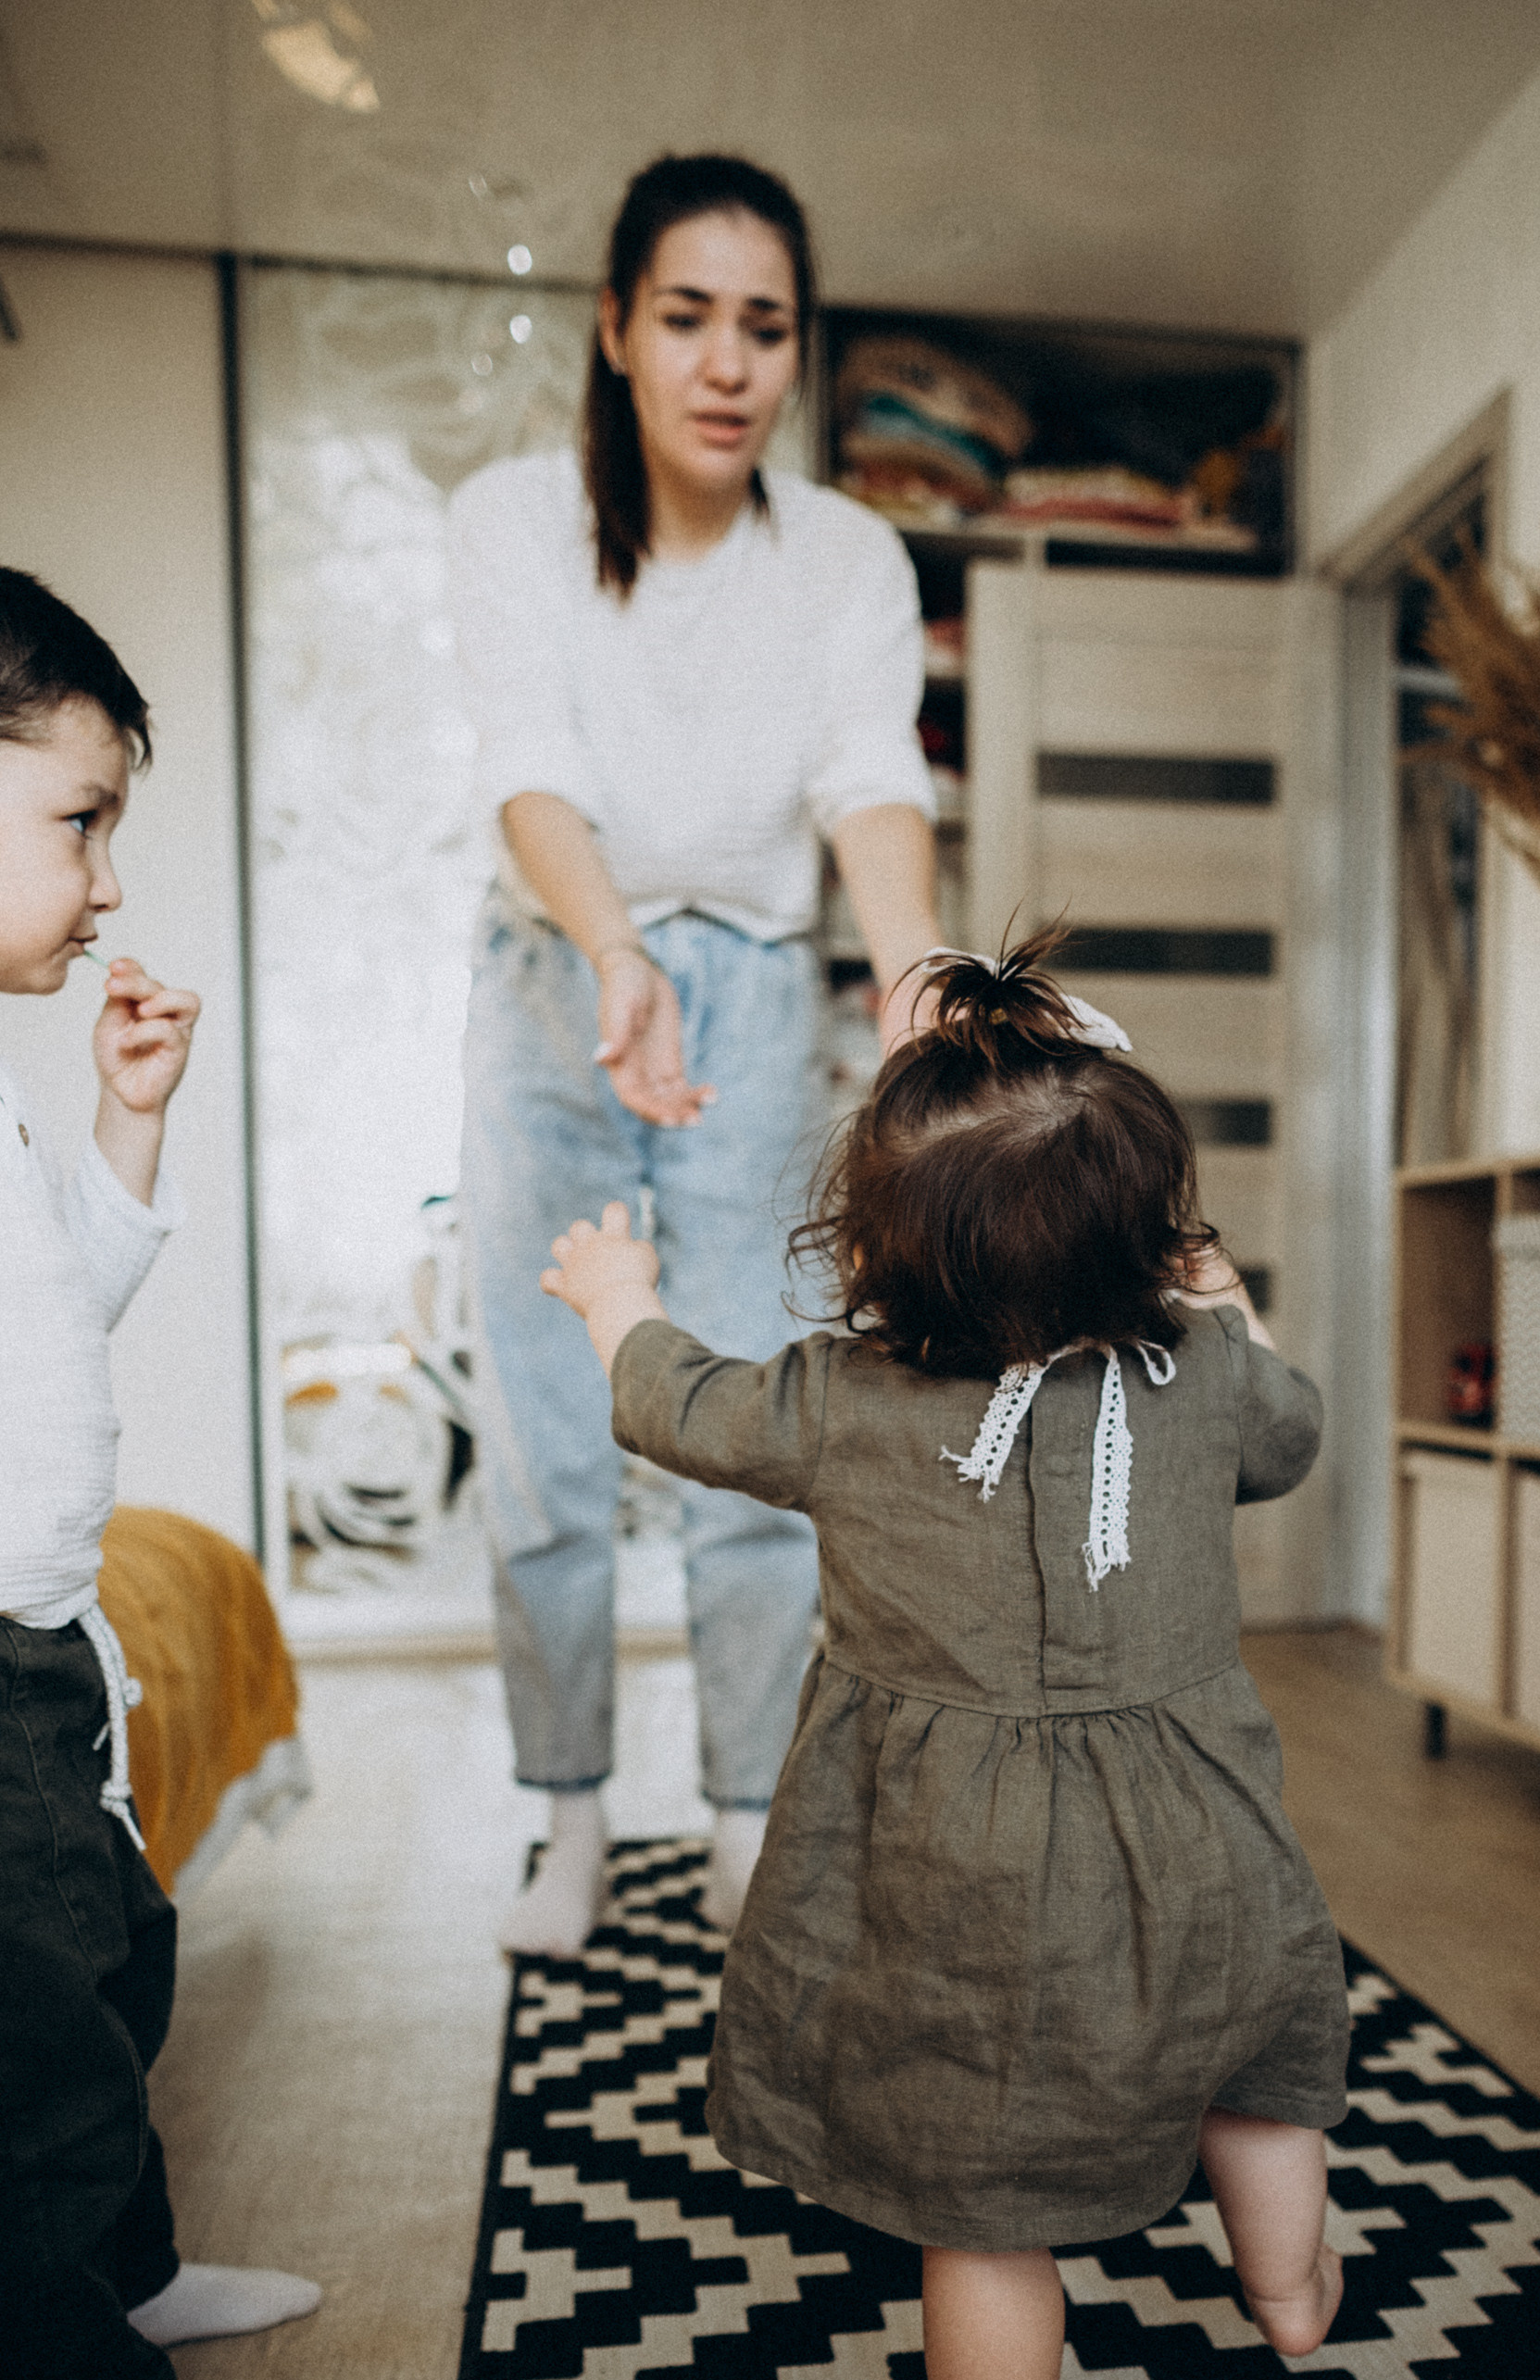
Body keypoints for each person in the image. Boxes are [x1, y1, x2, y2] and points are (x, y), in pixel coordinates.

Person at [539, 928, 1351, 2380]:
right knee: (1255, 2071)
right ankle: (1291, 2289)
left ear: (881, 1253)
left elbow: (674, 1408)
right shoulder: (1200, 1379)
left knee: (988, 2221)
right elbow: (1291, 1431)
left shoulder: (842, 1397)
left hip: (969, 1889)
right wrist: (1232, 1308)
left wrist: (619, 1304)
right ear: (1156, 1237)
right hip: (1210, 1846)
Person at [448, 153, 943, 1957]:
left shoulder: (852, 559)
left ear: (799, 350)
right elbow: (530, 765)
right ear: (614, 327)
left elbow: (871, 782)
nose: (728, 364)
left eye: (766, 326)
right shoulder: (515, 520)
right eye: (686, 319)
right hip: (551, 974)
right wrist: (607, 948)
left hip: (750, 989)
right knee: (553, 1428)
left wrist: (912, 987)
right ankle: (565, 1823)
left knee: (757, 1423)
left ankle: (746, 1825)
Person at [0, 569, 336, 2380]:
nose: (109, 879)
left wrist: (128, 1131)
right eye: (77, 820)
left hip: (50, 1649)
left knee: (116, 1966)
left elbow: (55, 1318)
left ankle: (128, 2278)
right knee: (30, 2051)